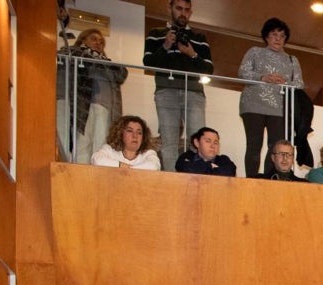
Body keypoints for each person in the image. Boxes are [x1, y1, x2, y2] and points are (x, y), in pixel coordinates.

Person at [143, 0, 214, 172]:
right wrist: (166, 45)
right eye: (179, 8)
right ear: (170, 8)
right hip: (166, 90)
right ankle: (172, 184)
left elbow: (209, 68)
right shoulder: (156, 33)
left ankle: (196, 179)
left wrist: (192, 54)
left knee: (198, 141)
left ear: (191, 12)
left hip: (194, 92)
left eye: (187, 10)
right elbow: (148, 63)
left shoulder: (199, 37)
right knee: (169, 142)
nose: (183, 13)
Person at [238, 17, 303, 178]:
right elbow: (242, 73)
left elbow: (300, 83)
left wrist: (285, 81)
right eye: (274, 34)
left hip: (279, 108)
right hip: (253, 105)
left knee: (275, 147)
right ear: (266, 36)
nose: (278, 39)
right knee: (254, 144)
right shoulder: (255, 51)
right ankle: (251, 180)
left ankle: (269, 179)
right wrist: (262, 77)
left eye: (282, 36)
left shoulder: (292, 60)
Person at [62, 29, 128, 163]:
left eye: (101, 41)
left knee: (102, 144)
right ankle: (81, 176)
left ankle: (97, 177)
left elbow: (122, 73)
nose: (98, 43)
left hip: (105, 107)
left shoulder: (108, 63)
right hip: (82, 105)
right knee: (83, 142)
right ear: (83, 40)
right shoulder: (75, 54)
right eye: (94, 39)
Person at [90, 115, 161, 171]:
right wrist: (120, 165)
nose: (135, 136)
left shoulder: (149, 153)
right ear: (120, 134)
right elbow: (96, 159)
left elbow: (154, 166)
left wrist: (128, 170)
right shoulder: (109, 150)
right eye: (130, 131)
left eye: (139, 132)